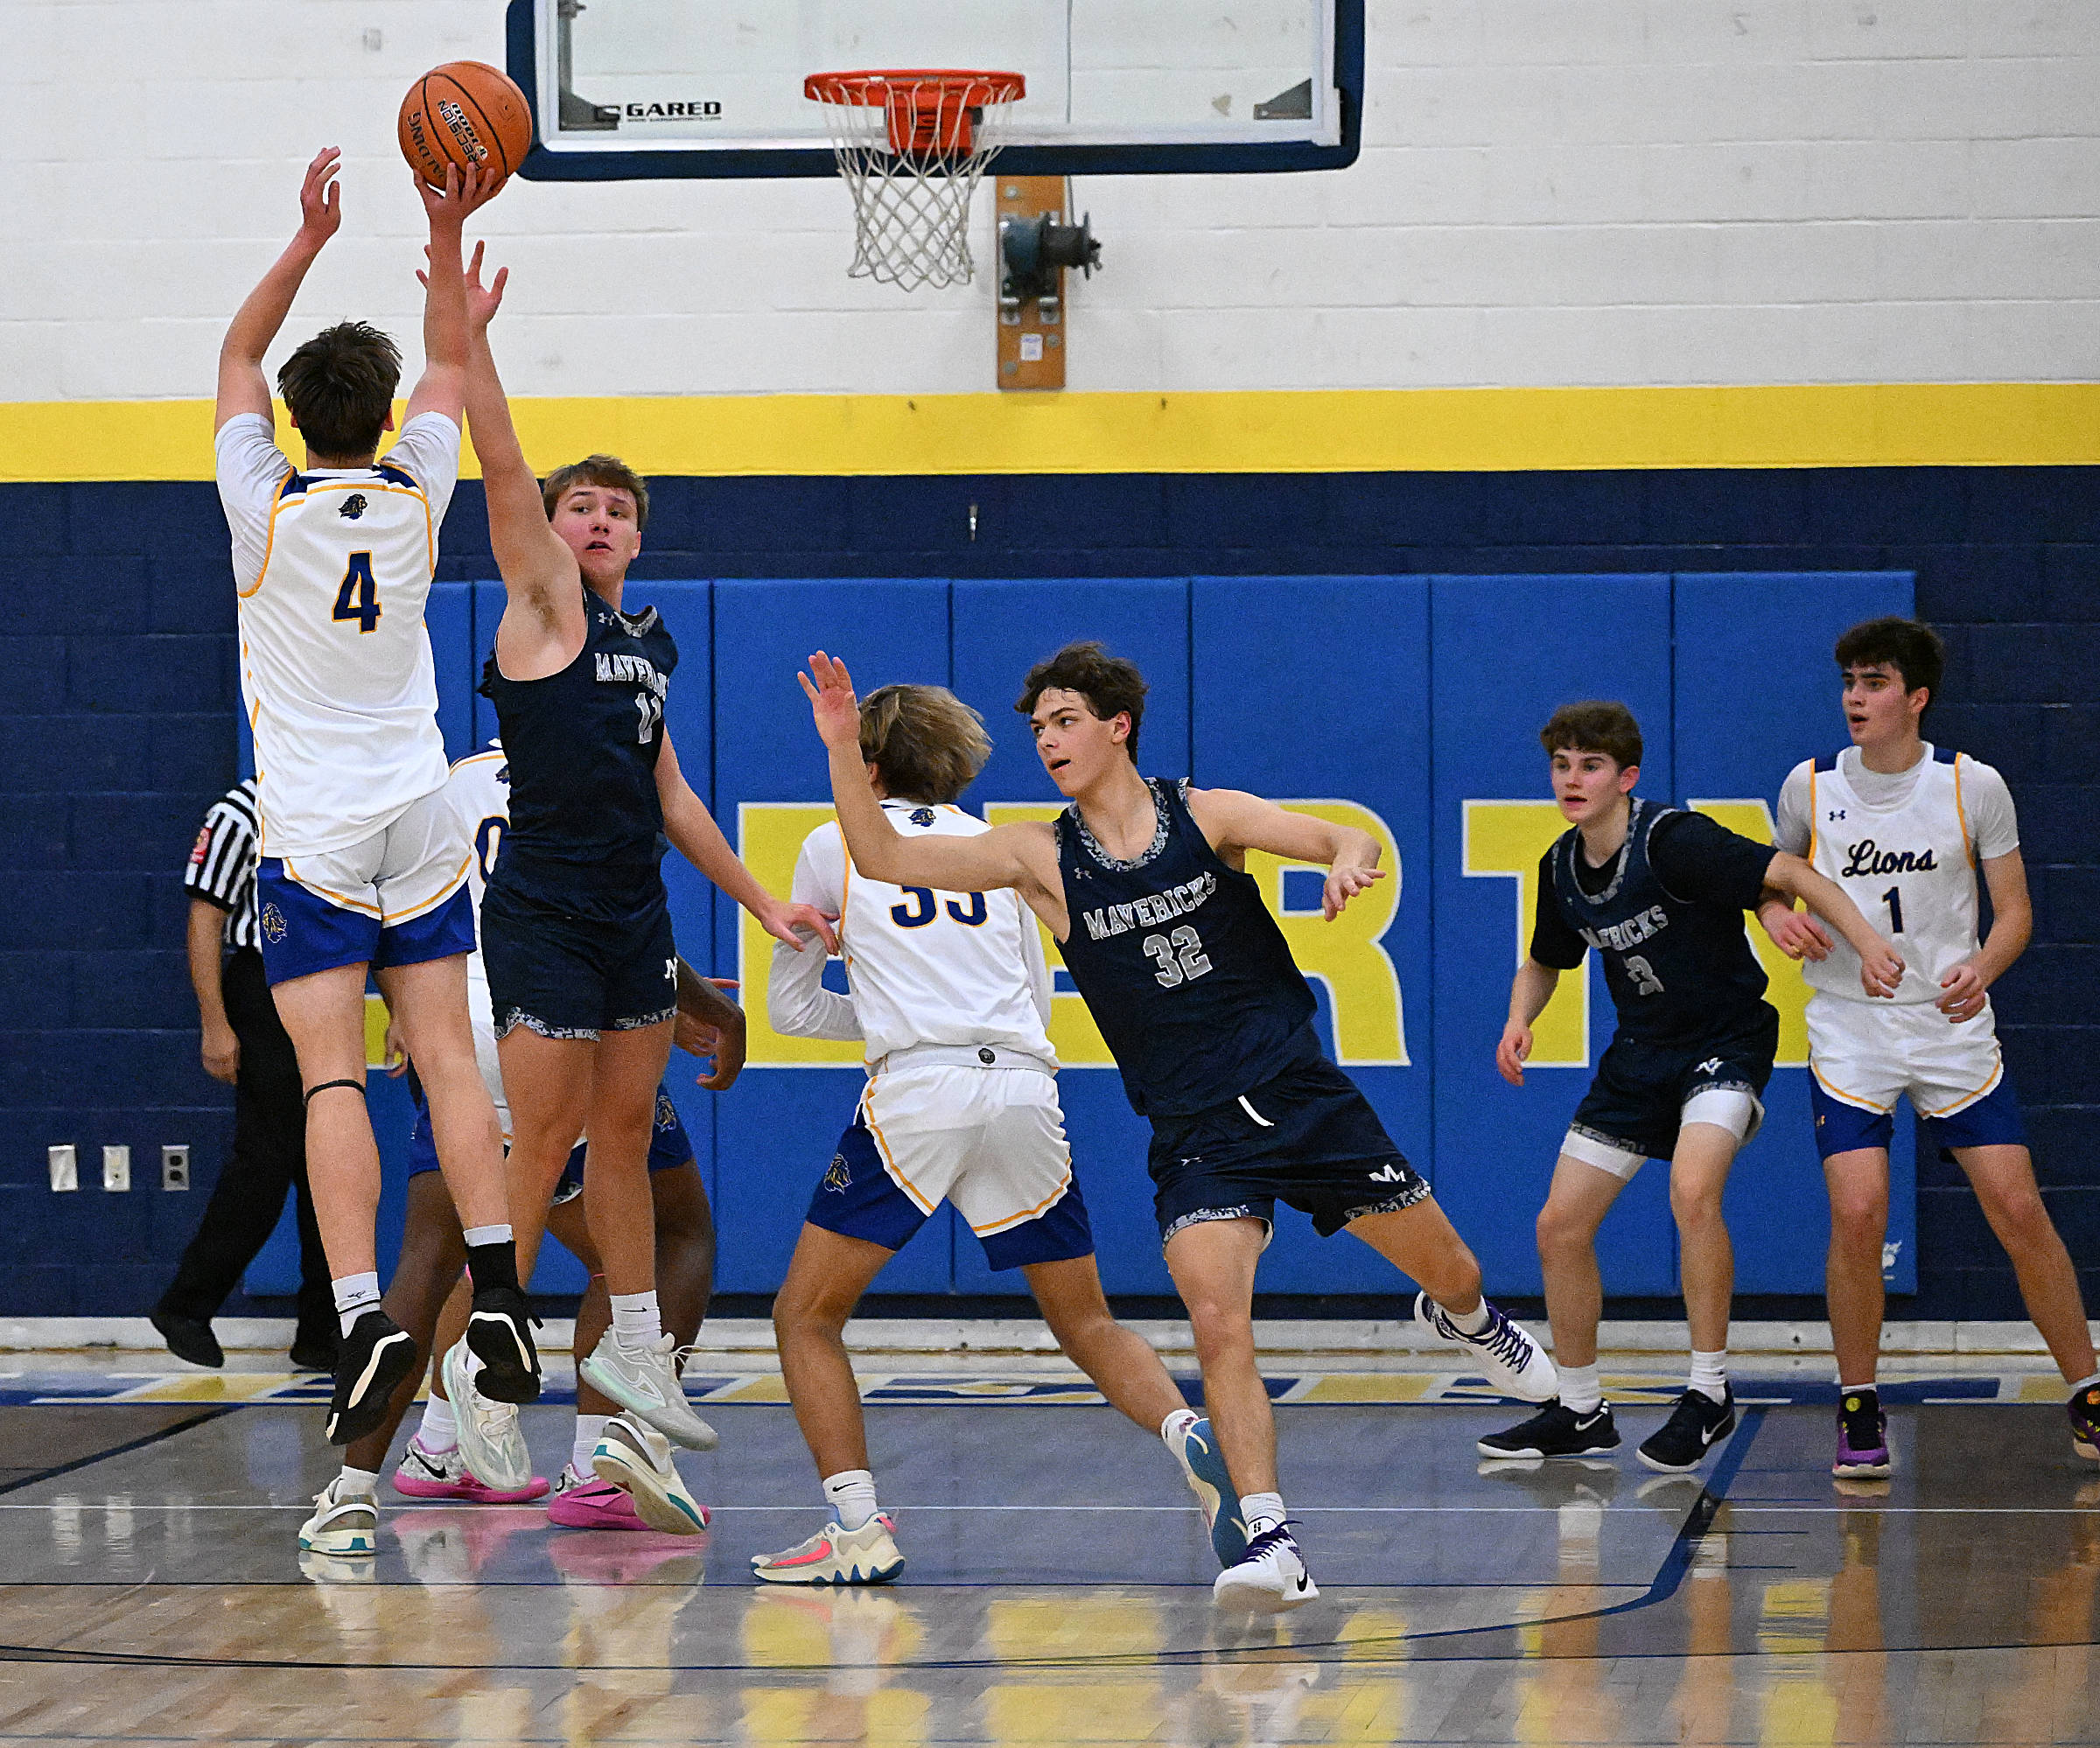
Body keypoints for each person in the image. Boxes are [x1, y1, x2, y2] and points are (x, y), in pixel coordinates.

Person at [800, 642, 1556, 1613]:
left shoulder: (1205, 815)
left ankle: (1466, 1319)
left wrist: (1350, 862)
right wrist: (835, 747)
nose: (1048, 741)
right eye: (1037, 729)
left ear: (1118, 727)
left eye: (1065, 720)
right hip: (1196, 1130)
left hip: (1301, 1098)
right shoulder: (1039, 854)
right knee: (1217, 1322)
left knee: (1451, 1269)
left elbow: (1337, 838)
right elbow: (884, 857)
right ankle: (1270, 1540)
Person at [454, 238, 833, 1454]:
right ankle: (481, 1361)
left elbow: (675, 798)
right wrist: (470, 338)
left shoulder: (650, 649)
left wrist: (766, 905)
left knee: (625, 1136)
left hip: (634, 916)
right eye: (582, 507)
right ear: (551, 535)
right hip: (546, 911)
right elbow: (501, 461)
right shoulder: (543, 604)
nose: (599, 518)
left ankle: (631, 1350)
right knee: (550, 1138)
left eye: (619, 510)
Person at [757, 682, 1242, 1586]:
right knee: (1088, 1321)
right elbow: (1031, 994)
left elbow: (789, 1010)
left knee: (805, 1318)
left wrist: (877, 1002)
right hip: (1022, 1085)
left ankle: (856, 1528)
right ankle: (1192, 1433)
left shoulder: (836, 843)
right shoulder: (1005, 849)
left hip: (920, 1088)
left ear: (866, 764)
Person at [214, 151, 530, 1451]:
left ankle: (360, 1316)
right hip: (419, 813)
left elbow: (237, 352)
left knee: (331, 1075)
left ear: (292, 418)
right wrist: (447, 238)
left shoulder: (262, 504)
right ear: (387, 410)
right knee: (449, 1056)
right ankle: (501, 1286)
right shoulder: (417, 493)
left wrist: (305, 239)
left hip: (317, 832)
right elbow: (451, 367)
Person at [298, 742, 738, 1561]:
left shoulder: (444, 782)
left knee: (436, 1258)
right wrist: (716, 1008)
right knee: (669, 1236)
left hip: (459, 1030)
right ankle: (600, 1466)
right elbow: (626, 923)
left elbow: (398, 913)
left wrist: (405, 1011)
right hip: (558, 1019)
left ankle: (368, 1484)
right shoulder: (608, 761)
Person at [1479, 702, 1901, 1472]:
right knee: (1558, 1226)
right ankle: (1579, 1409)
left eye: (1591, 766)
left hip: (1724, 1042)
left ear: (1626, 776)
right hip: (1640, 1055)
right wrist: (1519, 1019)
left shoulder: (1674, 841)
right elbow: (1547, 957)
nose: (1572, 781)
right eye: (1562, 766)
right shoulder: (1558, 866)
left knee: (1693, 1193)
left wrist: (1862, 943)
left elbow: (1791, 871)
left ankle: (1708, 1392)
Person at [1766, 617, 2100, 1476]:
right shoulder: (1808, 785)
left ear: (1915, 697)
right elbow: (1769, 884)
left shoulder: (1972, 786)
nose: (1854, 697)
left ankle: (2088, 1389)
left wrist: (1982, 967)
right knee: (1858, 1209)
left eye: (1873, 682)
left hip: (1949, 1025)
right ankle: (1858, 1403)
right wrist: (1776, 921)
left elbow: (2016, 911)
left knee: (2020, 1210)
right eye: (1848, 681)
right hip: (1851, 1024)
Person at [152, 777, 336, 1373]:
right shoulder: (240, 811)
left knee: (328, 1161)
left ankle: (323, 1330)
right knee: (267, 1157)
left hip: (326, 987)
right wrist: (216, 1022)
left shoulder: (346, 802)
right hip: (262, 989)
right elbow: (205, 919)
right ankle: (187, 1302)